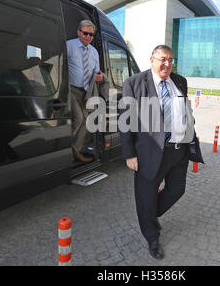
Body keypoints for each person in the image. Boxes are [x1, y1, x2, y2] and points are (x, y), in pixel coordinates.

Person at [119, 45, 202, 260]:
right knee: (146, 195)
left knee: (177, 190)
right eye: (163, 59)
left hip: (178, 151)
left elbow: (185, 111)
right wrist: (129, 154)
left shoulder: (180, 81)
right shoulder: (134, 83)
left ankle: (147, 213)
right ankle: (152, 237)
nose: (167, 64)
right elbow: (125, 120)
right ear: (152, 60)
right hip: (149, 153)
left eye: (171, 60)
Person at [67, 20, 108, 163]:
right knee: (79, 118)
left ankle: (74, 151)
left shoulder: (94, 52)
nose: (88, 37)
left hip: (86, 92)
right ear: (78, 32)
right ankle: (66, 151)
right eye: (85, 33)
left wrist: (101, 77)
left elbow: (98, 72)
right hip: (70, 90)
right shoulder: (69, 46)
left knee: (85, 121)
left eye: (91, 35)